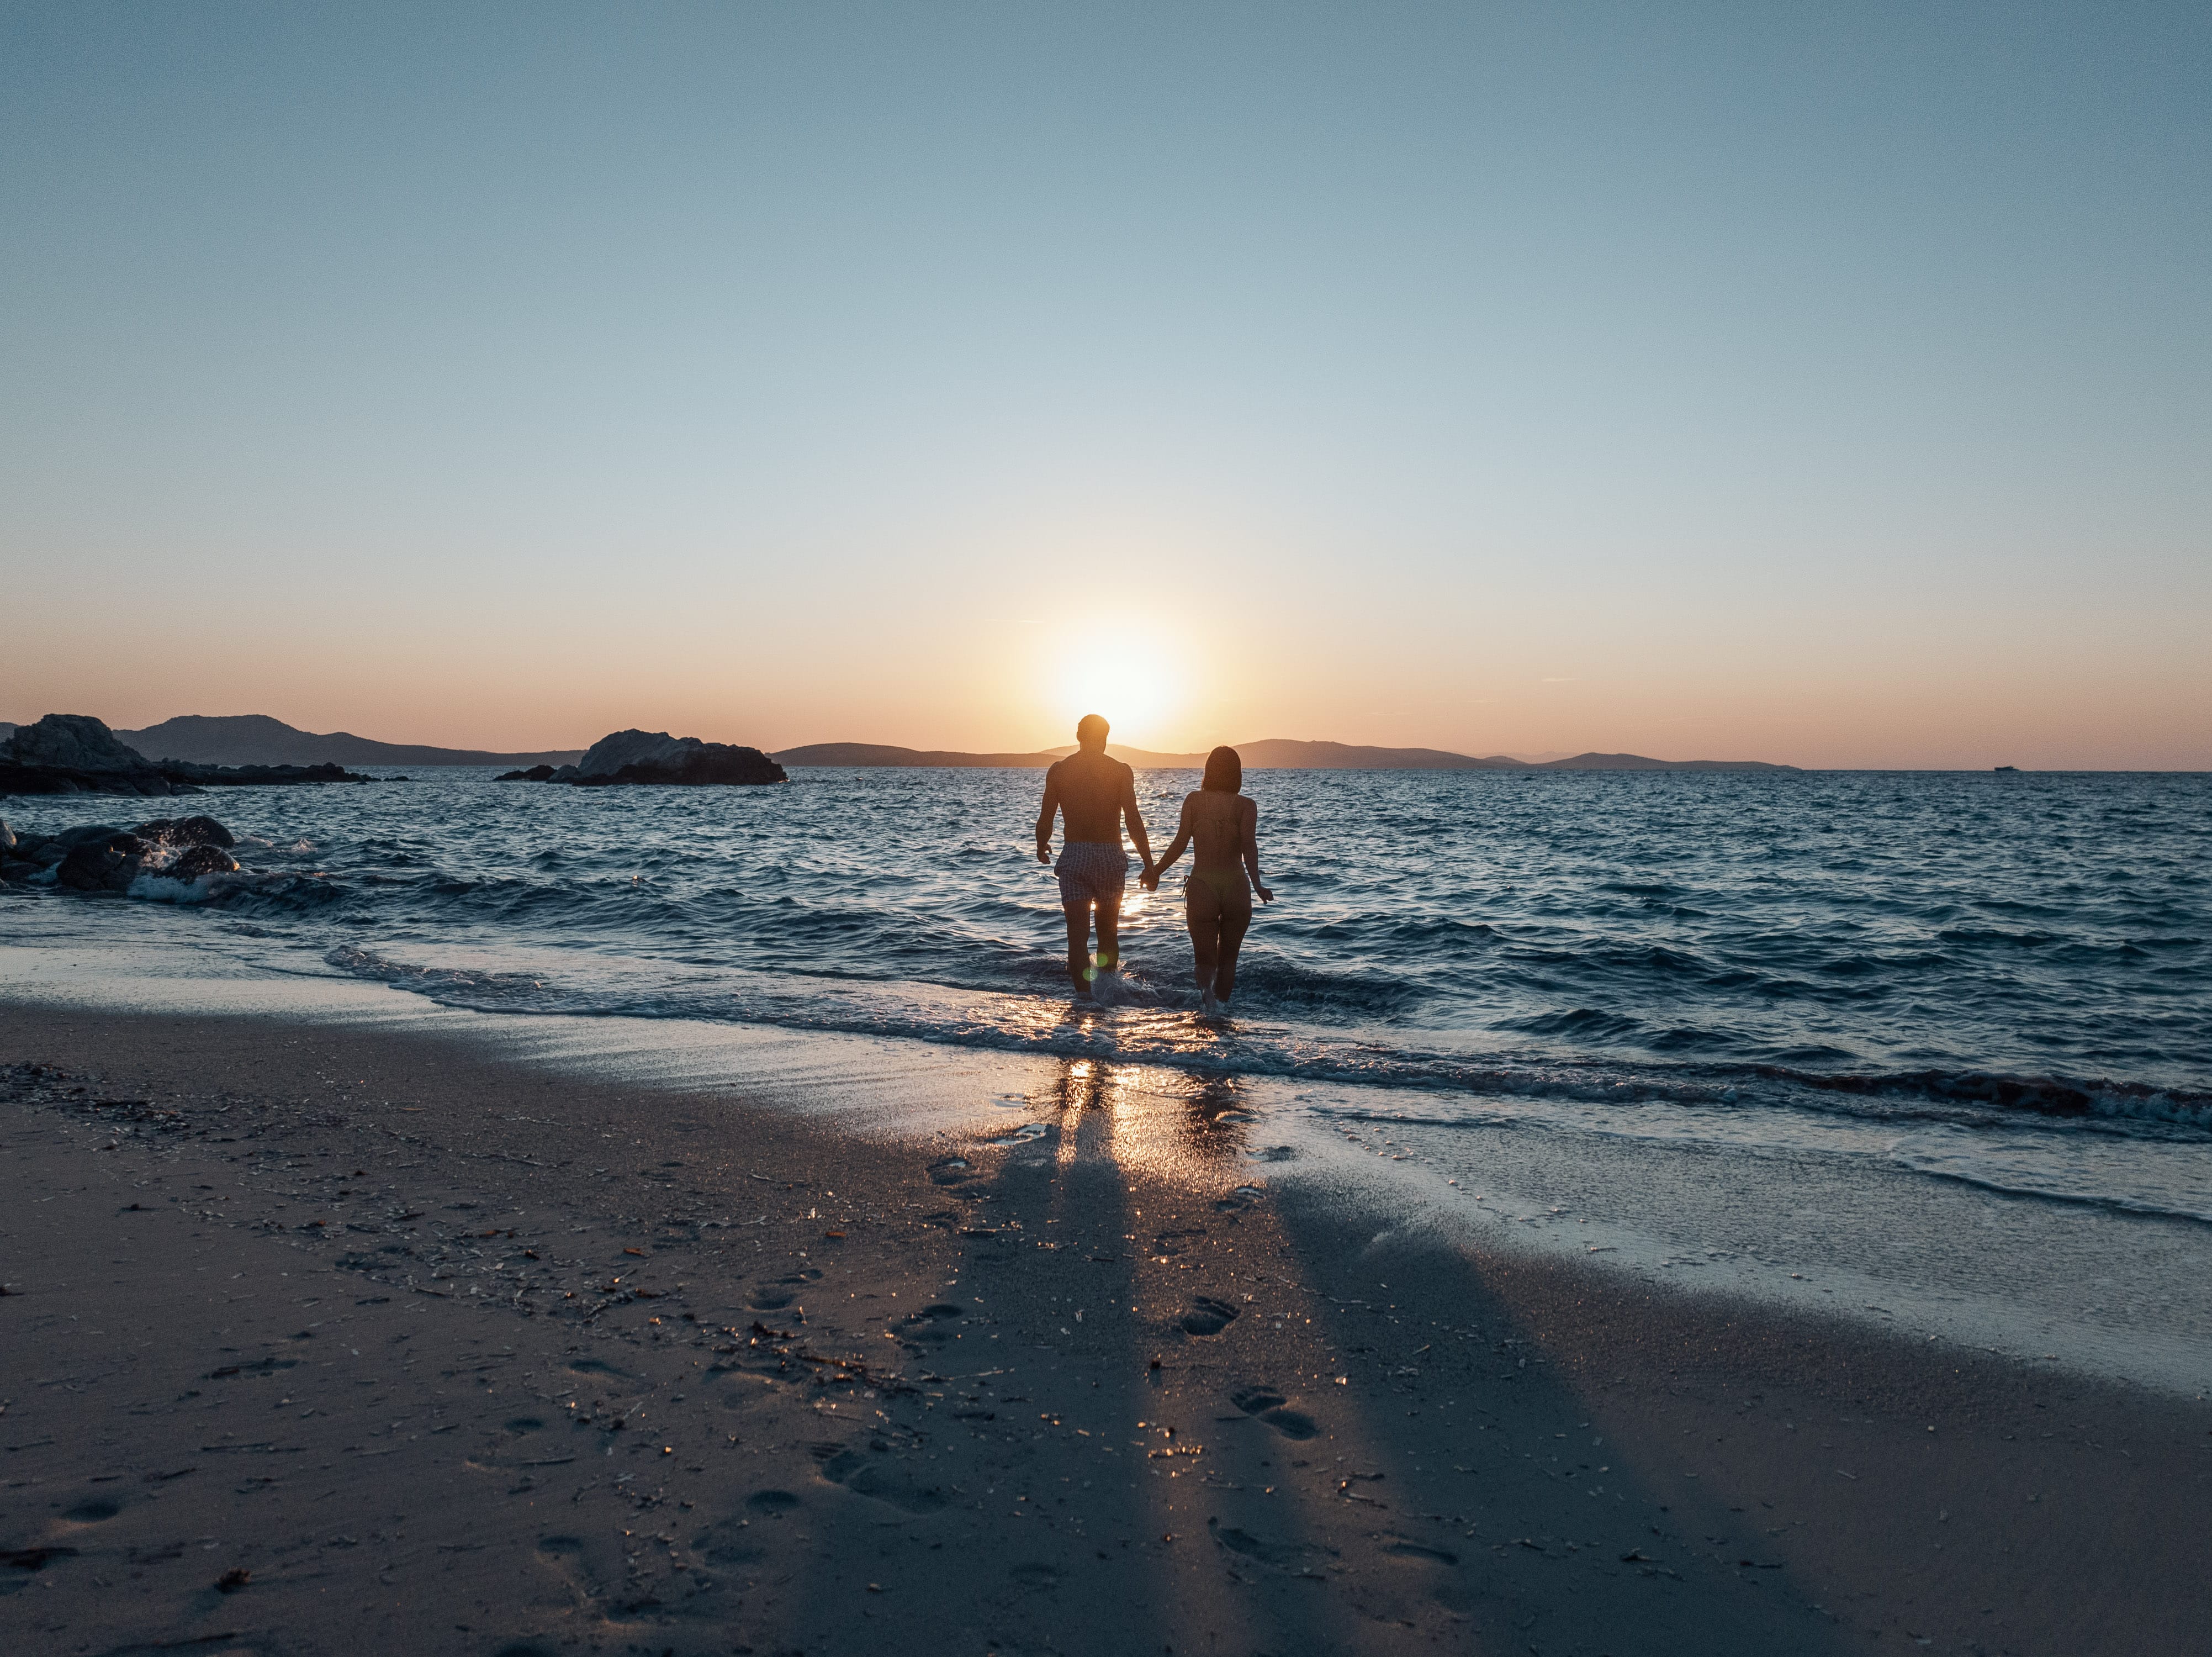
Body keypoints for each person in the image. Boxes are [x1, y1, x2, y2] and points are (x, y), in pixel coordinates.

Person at [1141, 745, 1272, 1013]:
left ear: (1208, 771)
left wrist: (1155, 871)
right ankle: (1222, 1012)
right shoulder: (1247, 806)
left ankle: (1209, 1006)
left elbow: (1179, 844)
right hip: (1237, 886)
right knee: (1229, 961)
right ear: (1237, 774)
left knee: (1204, 959)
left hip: (1203, 887)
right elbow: (1250, 847)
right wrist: (1257, 885)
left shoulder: (1193, 801)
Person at [1035, 714, 1155, 997]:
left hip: (1075, 855)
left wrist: (1042, 845)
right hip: (1110, 857)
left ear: (1078, 737)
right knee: (1108, 931)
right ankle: (1108, 993)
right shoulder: (1121, 770)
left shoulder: (1059, 771)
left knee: (1077, 936)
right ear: (1105, 738)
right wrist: (1149, 863)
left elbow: (1046, 819)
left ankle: (1084, 999)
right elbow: (1134, 821)